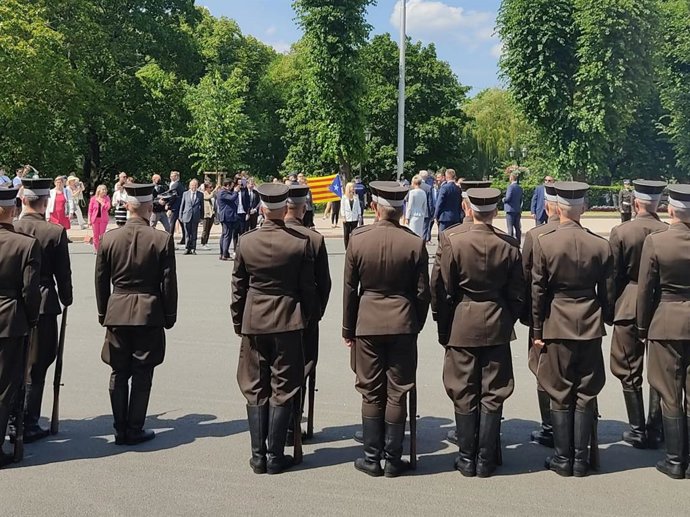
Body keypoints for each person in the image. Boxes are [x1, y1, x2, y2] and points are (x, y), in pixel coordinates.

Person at [433, 187, 524, 477]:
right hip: (496, 322)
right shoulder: (509, 244)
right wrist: (506, 318)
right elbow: (517, 293)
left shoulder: (451, 239)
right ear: (496, 211)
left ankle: (467, 458)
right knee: (493, 392)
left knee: (463, 390)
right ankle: (485, 460)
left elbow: (440, 288)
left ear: (466, 207)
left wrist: (444, 327)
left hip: (462, 321)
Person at [343, 181, 430, 478]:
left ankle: (372, 457)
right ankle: (393, 459)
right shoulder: (414, 243)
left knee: (371, 391)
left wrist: (348, 329)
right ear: (401, 208)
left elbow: (349, 289)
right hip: (402, 322)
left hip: (367, 322)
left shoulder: (358, 239)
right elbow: (422, 293)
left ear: (376, 208)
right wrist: (415, 323)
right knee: (397, 391)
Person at [231, 183, 317, 475]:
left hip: (254, 321)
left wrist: (238, 322)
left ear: (263, 209)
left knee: (255, 386)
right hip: (288, 320)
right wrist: (308, 319)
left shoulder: (246, 241)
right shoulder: (299, 243)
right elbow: (309, 290)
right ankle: (275, 454)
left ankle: (258, 457)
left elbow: (238, 289)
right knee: (283, 388)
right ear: (284, 209)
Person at [532, 181, 614, 478]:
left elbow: (538, 290)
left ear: (558, 208)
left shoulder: (545, 242)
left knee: (560, 390)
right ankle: (580, 460)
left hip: (557, 322)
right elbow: (607, 293)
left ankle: (562, 458)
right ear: (583, 208)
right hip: (590, 324)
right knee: (586, 392)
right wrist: (605, 318)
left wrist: (538, 330)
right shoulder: (599, 244)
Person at [95, 183, 178, 446]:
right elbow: (168, 282)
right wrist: (170, 314)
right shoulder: (161, 238)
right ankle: (134, 427)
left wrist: (103, 311)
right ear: (147, 206)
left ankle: (119, 428)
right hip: (149, 310)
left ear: (127, 206)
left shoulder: (109, 238)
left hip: (117, 308)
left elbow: (100, 280)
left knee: (118, 371)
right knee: (142, 372)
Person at [12, 178, 73, 443]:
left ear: (23, 200)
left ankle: (12, 418)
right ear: (45, 202)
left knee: (13, 364)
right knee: (37, 367)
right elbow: (64, 274)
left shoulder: (10, 228)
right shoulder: (54, 232)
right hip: (45, 303)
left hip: (12, 305)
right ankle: (28, 420)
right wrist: (67, 298)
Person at [609, 180, 668, 450]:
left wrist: (610, 309)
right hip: (661, 305)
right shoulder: (668, 231)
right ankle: (656, 428)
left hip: (629, 302)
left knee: (628, 368)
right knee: (660, 370)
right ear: (659, 204)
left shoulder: (621, 232)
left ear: (634, 203)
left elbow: (612, 277)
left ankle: (637, 429)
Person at [637, 184, 690, 479]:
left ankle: (675, 460)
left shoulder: (657, 242)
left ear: (670, 210)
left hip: (666, 321)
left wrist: (642, 326)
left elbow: (646, 289)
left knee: (669, 392)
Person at [284, 184, 332, 439]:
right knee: (300, 370)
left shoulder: (255, 236)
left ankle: (275, 427)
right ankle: (292, 425)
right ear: (303, 209)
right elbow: (324, 284)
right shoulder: (313, 239)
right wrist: (316, 314)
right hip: (304, 317)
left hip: (264, 319)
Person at [0, 187, 41, 467]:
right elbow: (30, 292)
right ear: (13, 210)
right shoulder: (24, 244)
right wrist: (31, 319)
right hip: (10, 321)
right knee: (4, 388)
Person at [520, 182, 560, 448]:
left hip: (545, 317)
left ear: (547, 206)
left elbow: (526, 280)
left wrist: (530, 321)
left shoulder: (536, 236)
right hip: (582, 321)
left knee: (544, 371)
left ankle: (549, 427)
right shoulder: (591, 237)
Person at [215, 180, 242, 260]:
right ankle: (224, 254)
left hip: (227, 216)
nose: (232, 187)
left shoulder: (223, 192)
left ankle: (223, 253)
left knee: (224, 235)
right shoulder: (222, 192)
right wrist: (236, 192)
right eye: (231, 186)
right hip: (227, 216)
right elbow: (232, 198)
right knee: (227, 235)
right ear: (227, 185)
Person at [179, 179, 203, 255]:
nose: (194, 187)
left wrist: (201, 217)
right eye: (192, 185)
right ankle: (187, 248)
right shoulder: (185, 194)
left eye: (195, 185)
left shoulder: (200, 194)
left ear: (197, 186)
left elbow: (202, 206)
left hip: (195, 216)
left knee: (194, 233)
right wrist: (180, 216)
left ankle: (193, 248)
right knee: (187, 233)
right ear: (189, 186)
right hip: (186, 215)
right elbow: (182, 205)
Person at [88, 185, 112, 252]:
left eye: (105, 189)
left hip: (103, 219)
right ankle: (96, 248)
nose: (104, 191)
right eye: (103, 189)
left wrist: (101, 202)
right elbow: (90, 210)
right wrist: (89, 220)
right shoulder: (93, 198)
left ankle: (101, 249)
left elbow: (107, 207)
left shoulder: (107, 198)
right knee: (95, 235)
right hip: (95, 219)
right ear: (99, 190)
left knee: (102, 235)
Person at [166, 171, 185, 245]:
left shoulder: (175, 185)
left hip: (175, 207)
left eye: (173, 176)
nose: (171, 177)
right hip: (179, 206)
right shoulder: (179, 185)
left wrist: (168, 204)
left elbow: (172, 196)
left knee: (171, 224)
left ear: (177, 177)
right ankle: (184, 239)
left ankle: (170, 240)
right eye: (171, 176)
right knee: (182, 224)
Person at [504, 172, 523, 242]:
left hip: (510, 210)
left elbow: (508, 198)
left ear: (511, 178)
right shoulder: (520, 188)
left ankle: (510, 242)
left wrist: (503, 200)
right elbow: (520, 200)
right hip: (517, 210)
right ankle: (518, 241)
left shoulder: (510, 187)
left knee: (510, 228)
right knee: (517, 227)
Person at [341, 182, 361, 249]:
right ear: (348, 188)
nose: (353, 188)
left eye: (353, 187)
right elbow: (342, 208)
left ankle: (354, 247)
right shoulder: (344, 197)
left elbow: (358, 206)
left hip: (354, 218)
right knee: (346, 234)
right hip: (347, 218)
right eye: (352, 187)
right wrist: (343, 217)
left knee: (354, 233)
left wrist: (359, 215)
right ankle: (346, 248)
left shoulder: (356, 196)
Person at [199, 183, 215, 250]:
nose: (211, 189)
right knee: (205, 229)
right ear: (206, 188)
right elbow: (208, 197)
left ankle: (206, 242)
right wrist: (215, 190)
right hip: (206, 214)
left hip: (211, 213)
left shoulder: (211, 194)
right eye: (209, 187)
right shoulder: (204, 193)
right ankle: (203, 242)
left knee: (209, 229)